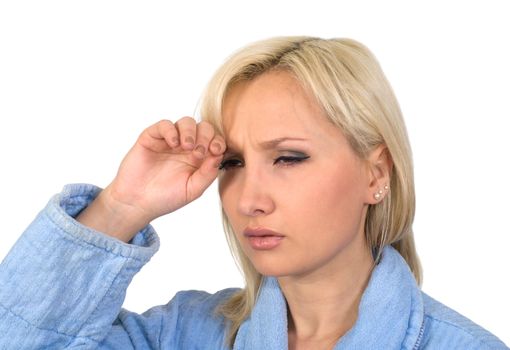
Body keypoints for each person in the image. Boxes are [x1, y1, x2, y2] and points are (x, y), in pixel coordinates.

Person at [0, 36, 507, 350]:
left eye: (288, 158)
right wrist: (121, 206)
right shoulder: (183, 336)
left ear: (376, 174)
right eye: (233, 163)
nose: (248, 200)